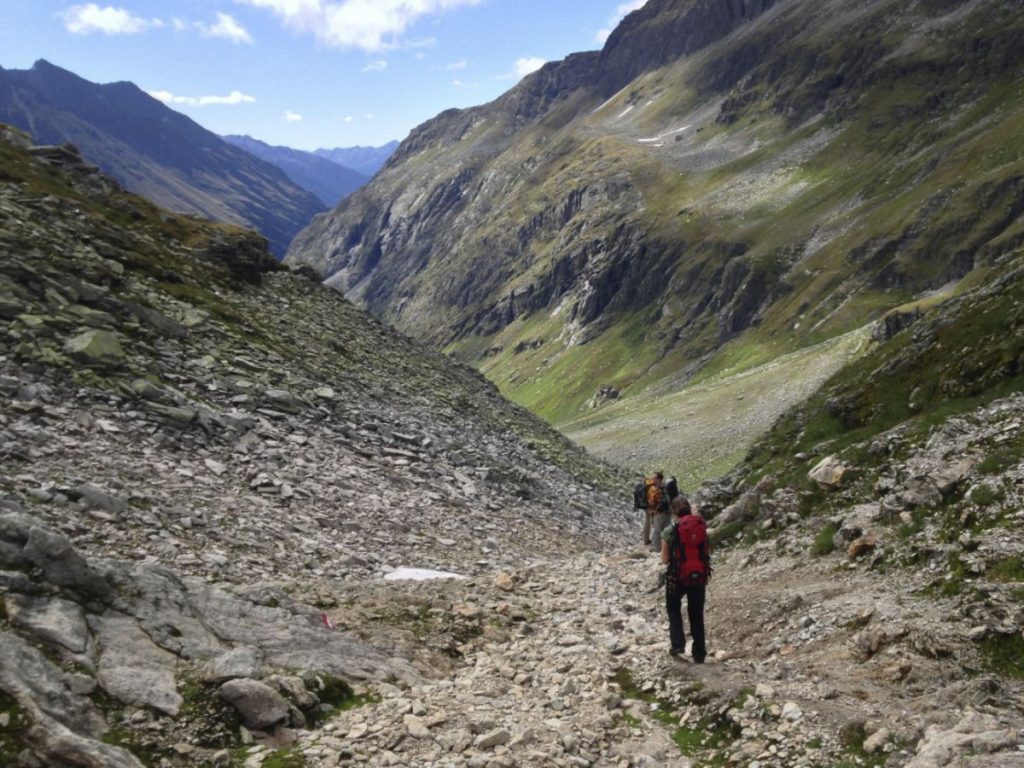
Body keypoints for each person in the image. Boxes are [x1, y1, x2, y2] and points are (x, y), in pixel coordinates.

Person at [660, 496, 709, 663]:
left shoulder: (669, 531)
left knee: (673, 609)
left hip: (676, 577)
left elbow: (665, 559)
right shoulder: (701, 526)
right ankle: (700, 653)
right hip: (699, 577)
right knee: (696, 614)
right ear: (689, 509)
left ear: (673, 512)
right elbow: (706, 552)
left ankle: (678, 644)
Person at [648, 471, 671, 553]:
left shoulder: (655, 489)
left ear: (658, 479)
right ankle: (667, 548)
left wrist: (651, 510)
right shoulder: (666, 487)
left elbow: (651, 502)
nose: (652, 479)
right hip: (668, 512)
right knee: (666, 531)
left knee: (657, 531)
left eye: (654, 478)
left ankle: (656, 548)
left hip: (658, 512)